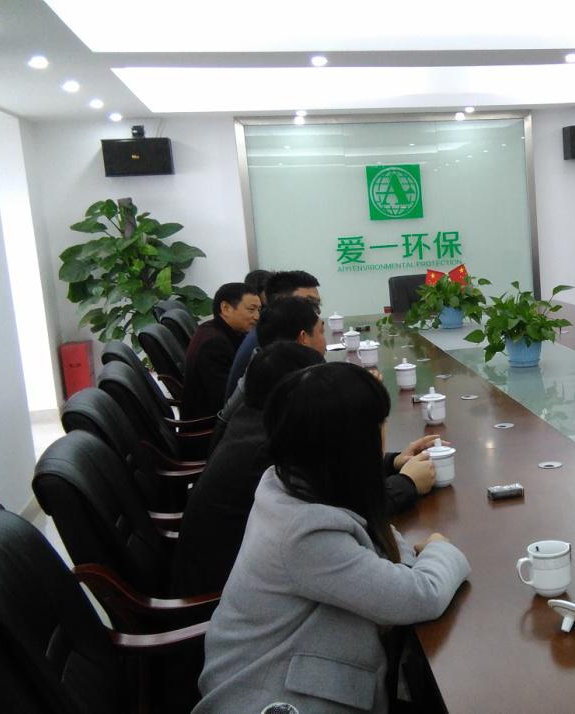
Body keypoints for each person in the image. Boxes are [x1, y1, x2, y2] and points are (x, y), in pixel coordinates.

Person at [196, 362, 469, 713]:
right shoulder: (305, 534)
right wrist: (440, 548)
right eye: (378, 426)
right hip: (273, 697)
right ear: (351, 446)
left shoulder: (286, 482)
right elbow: (421, 595)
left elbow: (386, 548)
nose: (383, 436)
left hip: (290, 672)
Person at [174, 342, 443, 597]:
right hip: (210, 593)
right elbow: (418, 593)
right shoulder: (268, 465)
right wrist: (408, 486)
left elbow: (333, 472)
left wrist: (390, 463)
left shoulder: (274, 449)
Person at [226, 269, 322, 399]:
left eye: (317, 304)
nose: (317, 311)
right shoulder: (272, 345)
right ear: (281, 303)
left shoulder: (272, 329)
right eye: (309, 303)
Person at [182, 282, 261, 421]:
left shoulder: (213, 328)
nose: (257, 316)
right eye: (251, 309)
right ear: (225, 308)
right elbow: (225, 400)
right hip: (210, 427)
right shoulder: (213, 344)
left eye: (259, 310)